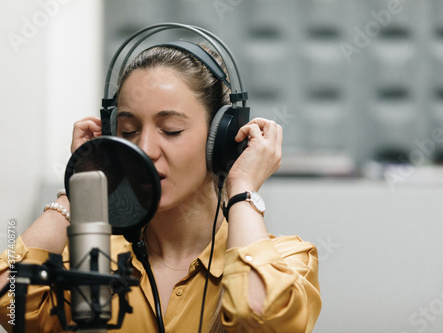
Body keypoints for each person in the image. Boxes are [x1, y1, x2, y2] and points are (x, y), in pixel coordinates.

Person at [0, 37, 322, 332]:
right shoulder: (91, 260)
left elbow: (257, 315)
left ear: (220, 140)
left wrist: (242, 187)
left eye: (170, 130)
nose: (145, 149)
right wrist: (85, 179)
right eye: (128, 131)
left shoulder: (288, 263)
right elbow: (8, 300)